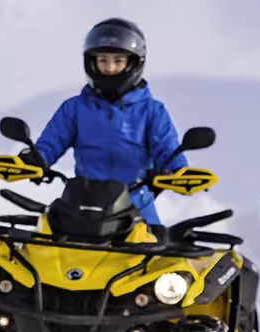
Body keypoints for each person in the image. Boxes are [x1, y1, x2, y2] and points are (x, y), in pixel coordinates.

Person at [25, 18, 187, 226]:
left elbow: (169, 151)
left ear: (134, 63)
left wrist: (179, 173)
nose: (110, 68)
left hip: (135, 208)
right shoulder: (74, 108)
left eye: (118, 61)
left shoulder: (152, 112)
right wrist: (35, 160)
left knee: (158, 251)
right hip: (82, 205)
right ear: (92, 62)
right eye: (103, 60)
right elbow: (50, 143)